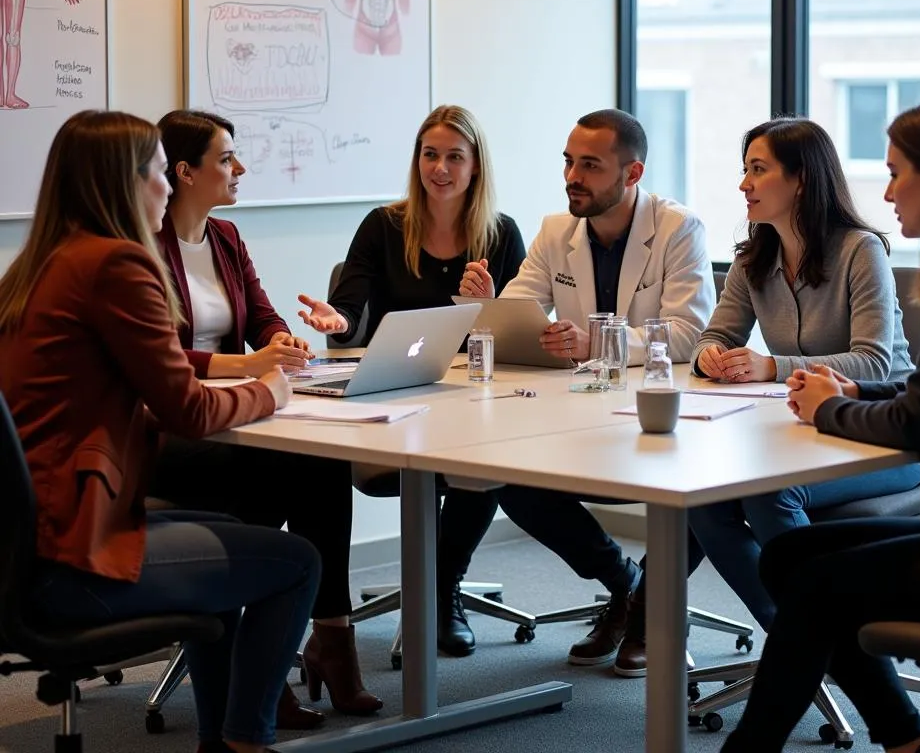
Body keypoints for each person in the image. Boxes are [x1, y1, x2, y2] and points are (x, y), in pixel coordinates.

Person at [0, 110, 319, 753]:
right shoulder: (116, 265)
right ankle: (244, 741)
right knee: (296, 562)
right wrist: (270, 390)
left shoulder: (40, 266)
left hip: (28, 543)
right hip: (71, 555)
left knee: (230, 532)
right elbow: (188, 413)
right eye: (156, 173)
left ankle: (216, 737)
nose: (167, 189)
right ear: (126, 182)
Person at [720, 94, 920, 753]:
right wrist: (859, 388)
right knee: (792, 554)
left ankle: (765, 749)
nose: (886, 192)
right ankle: (907, 741)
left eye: (896, 172)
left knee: (811, 585)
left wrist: (829, 407)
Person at [460, 108, 715, 671]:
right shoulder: (557, 231)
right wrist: (487, 302)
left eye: (590, 165)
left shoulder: (678, 229)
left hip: (653, 415)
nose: (573, 176)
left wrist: (598, 342)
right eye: (569, 162)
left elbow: (688, 334)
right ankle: (623, 584)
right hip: (580, 413)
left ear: (632, 173)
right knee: (508, 477)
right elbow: (520, 314)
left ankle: (649, 608)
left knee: (705, 490)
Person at [148, 108, 381, 722]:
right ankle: (267, 663)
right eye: (227, 158)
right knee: (294, 472)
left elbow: (260, 315)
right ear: (184, 172)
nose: (240, 168)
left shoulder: (224, 237)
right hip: (173, 428)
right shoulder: (140, 244)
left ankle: (331, 640)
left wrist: (282, 343)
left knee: (321, 466)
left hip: (230, 413)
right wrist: (246, 369)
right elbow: (159, 357)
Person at [680, 118, 920, 646]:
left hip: (886, 433)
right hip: (804, 431)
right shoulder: (752, 258)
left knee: (768, 493)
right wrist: (712, 358)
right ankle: (801, 633)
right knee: (703, 501)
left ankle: (813, 638)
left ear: (802, 180)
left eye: (758, 170)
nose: (744, 184)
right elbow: (710, 337)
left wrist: (773, 366)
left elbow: (874, 362)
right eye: (745, 171)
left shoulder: (861, 250)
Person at [298, 104, 526, 657]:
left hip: (470, 402)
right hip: (398, 404)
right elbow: (349, 308)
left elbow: (522, 330)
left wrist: (488, 306)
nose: (440, 168)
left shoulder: (501, 235)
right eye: (430, 154)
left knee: (488, 463)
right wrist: (338, 321)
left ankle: (442, 589)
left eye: (454, 156)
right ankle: (430, 594)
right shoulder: (384, 226)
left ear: (475, 167)